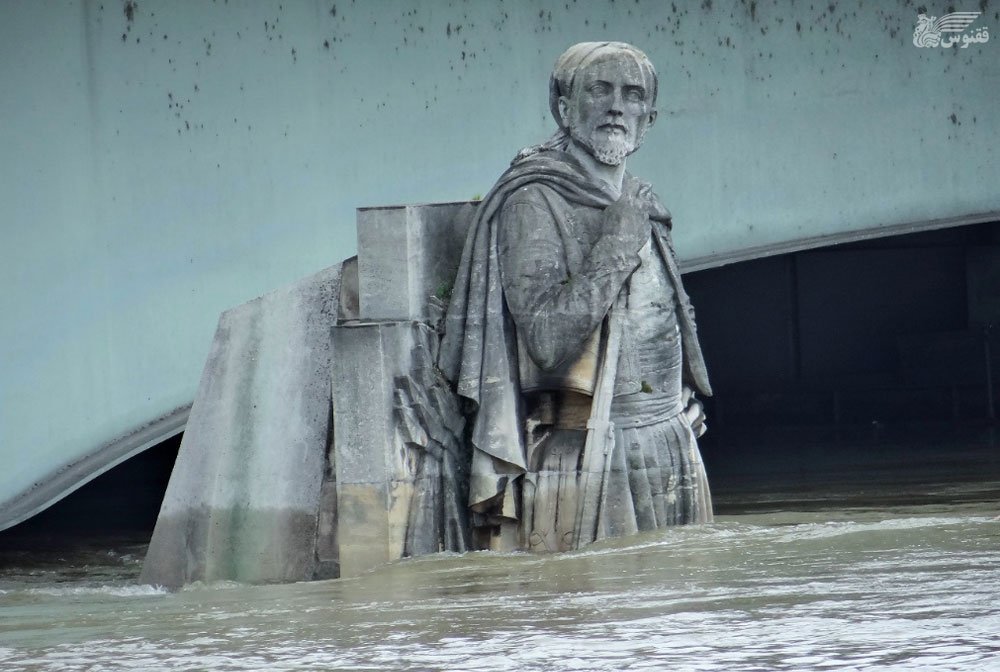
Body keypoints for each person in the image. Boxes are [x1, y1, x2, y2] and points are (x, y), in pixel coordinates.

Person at [439, 41, 713, 552]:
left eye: (632, 95)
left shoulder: (641, 201)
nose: (616, 106)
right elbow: (545, 339)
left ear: (648, 120)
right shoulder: (534, 201)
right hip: (589, 453)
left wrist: (682, 397)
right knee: (591, 616)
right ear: (563, 106)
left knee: (681, 615)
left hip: (670, 442)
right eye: (600, 90)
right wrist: (618, 241)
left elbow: (669, 312)